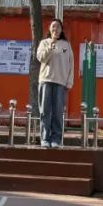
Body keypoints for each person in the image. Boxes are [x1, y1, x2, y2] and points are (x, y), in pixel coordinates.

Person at [36, 19, 74, 147]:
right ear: (49, 29)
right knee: (45, 111)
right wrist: (51, 45)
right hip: (45, 80)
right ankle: (45, 138)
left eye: (58, 27)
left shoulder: (66, 45)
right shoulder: (44, 43)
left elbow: (71, 64)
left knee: (57, 112)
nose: (55, 29)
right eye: (53, 26)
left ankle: (56, 139)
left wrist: (69, 82)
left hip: (60, 82)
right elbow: (41, 58)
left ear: (61, 30)